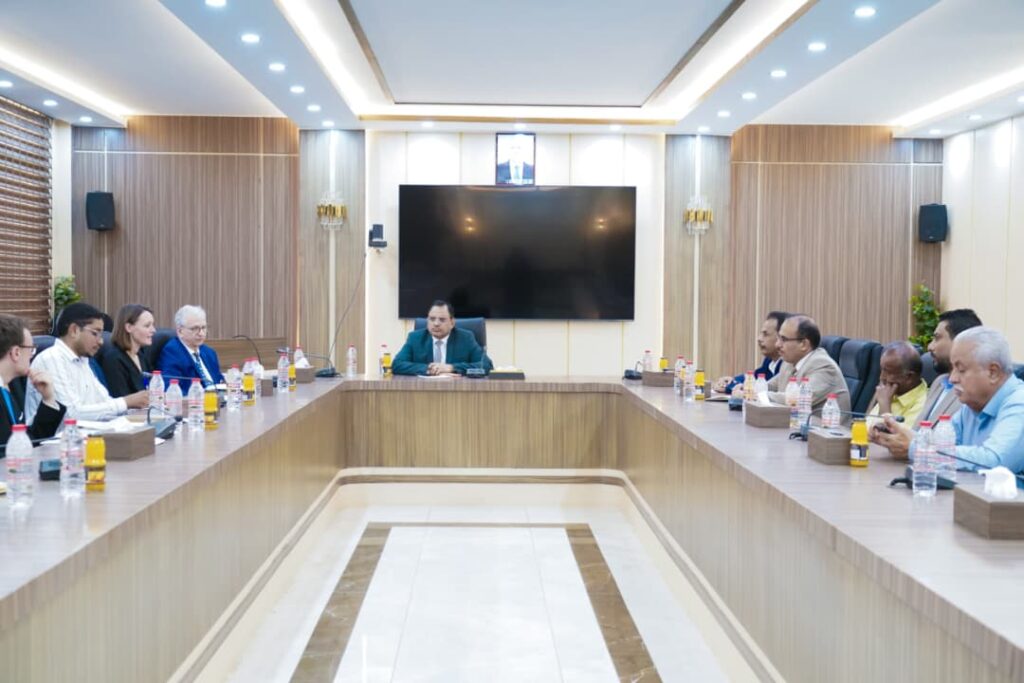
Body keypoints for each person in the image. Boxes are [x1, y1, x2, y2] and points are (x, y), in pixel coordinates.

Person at [888, 326, 1024, 473]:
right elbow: (939, 444)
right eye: (952, 369)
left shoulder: (1019, 403)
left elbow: (994, 461)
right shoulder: (972, 404)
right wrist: (898, 437)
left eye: (961, 370)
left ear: (993, 373)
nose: (952, 379)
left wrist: (916, 448)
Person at [871, 308, 982, 456]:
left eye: (937, 338)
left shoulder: (972, 392)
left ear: (960, 342)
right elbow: (916, 434)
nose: (930, 346)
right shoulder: (939, 382)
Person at [26, 302, 148, 422]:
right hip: (59, 434)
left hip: (89, 432)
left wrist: (135, 409)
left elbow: (105, 402)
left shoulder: (83, 361)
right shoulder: (51, 359)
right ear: (74, 330)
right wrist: (126, 402)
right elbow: (70, 414)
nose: (101, 341)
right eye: (95, 333)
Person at [0, 314, 65, 451]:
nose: (32, 355)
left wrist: (48, 400)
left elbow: (26, 441)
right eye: (31, 349)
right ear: (16, 353)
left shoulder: (9, 386)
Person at [766, 315, 851, 415]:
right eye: (778, 338)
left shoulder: (824, 366)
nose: (777, 345)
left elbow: (797, 400)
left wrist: (759, 395)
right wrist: (751, 389)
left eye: (783, 339)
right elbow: (768, 386)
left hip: (822, 424)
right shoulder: (789, 362)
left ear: (804, 344)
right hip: (791, 421)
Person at [392, 300, 492, 376]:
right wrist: (429, 369)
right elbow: (397, 364)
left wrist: (452, 368)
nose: (436, 323)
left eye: (442, 320)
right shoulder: (415, 338)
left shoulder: (466, 338)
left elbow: (486, 365)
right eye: (432, 319)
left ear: (452, 323)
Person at [712, 311, 788, 394]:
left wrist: (730, 388)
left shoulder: (787, 364)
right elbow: (754, 377)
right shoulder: (769, 361)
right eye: (761, 334)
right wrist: (731, 381)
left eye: (765, 334)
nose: (759, 339)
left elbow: (763, 389)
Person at [157, 305, 225, 387]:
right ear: (180, 331)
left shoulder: (209, 353)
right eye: (195, 328)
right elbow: (172, 388)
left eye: (203, 328)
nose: (201, 333)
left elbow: (220, 382)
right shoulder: (172, 353)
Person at [101, 304, 156, 398]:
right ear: (129, 327)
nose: (154, 330)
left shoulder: (141, 355)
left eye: (153, 325)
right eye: (147, 326)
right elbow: (121, 399)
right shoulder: (113, 359)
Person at [866, 341, 928, 424]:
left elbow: (887, 432)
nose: (881, 377)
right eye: (882, 370)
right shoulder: (890, 391)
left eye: (887, 372)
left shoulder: (923, 404)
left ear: (909, 377)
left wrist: (885, 407)